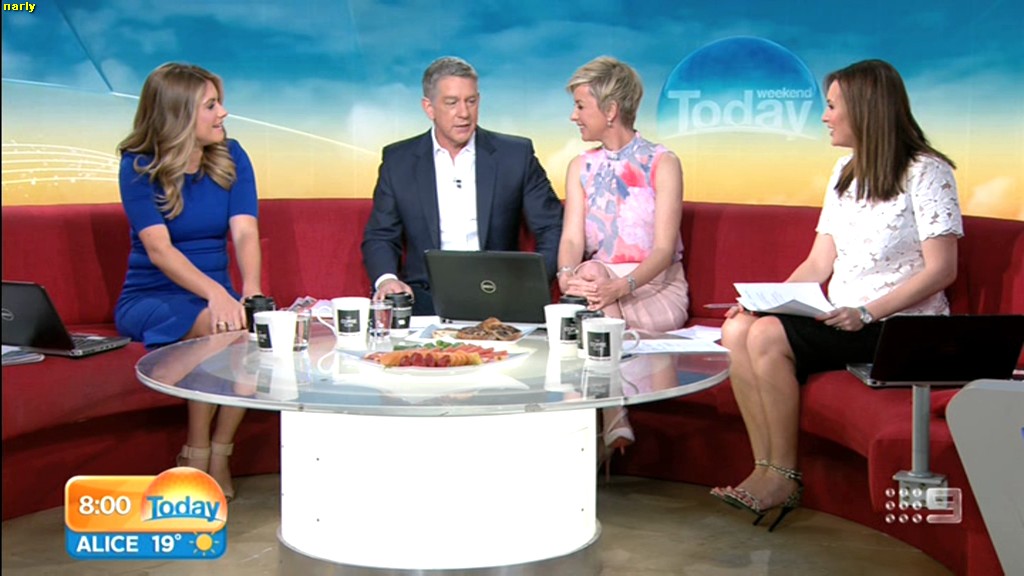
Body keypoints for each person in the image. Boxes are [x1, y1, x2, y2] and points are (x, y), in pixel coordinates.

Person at [712, 59, 962, 530]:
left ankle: (785, 476)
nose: (824, 117)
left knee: (766, 336)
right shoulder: (844, 170)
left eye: (831, 106)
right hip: (845, 318)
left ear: (865, 109)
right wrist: (763, 301)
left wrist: (866, 312)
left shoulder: (928, 172)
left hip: (900, 327)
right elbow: (818, 264)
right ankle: (764, 468)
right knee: (740, 327)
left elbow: (941, 269)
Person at [114, 63, 264, 501]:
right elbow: (158, 249)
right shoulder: (138, 165)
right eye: (211, 105)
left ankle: (219, 453)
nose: (223, 113)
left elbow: (245, 231)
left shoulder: (231, 155)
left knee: (250, 331)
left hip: (217, 295)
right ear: (179, 113)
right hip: (154, 295)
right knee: (221, 329)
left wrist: (250, 290)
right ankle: (197, 452)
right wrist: (216, 295)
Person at [557, 56, 690, 467]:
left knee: (590, 299)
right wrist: (565, 276)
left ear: (611, 110)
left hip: (654, 288)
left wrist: (621, 285)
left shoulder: (663, 163)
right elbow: (572, 238)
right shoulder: (581, 167)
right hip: (601, 289)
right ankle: (609, 425)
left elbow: (663, 251)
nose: (574, 116)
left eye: (581, 106)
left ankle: (611, 417)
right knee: (588, 276)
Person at [361, 56, 564, 315]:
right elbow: (381, 235)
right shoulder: (398, 161)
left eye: (471, 101)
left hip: (501, 296)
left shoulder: (515, 155)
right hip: (426, 298)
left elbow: (552, 226)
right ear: (429, 108)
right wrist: (387, 280)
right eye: (452, 103)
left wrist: (530, 283)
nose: (464, 113)